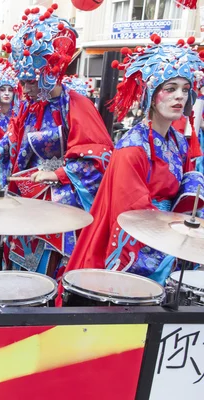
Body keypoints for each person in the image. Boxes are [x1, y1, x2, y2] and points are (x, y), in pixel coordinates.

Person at [61, 38, 204, 289]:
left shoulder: (179, 141)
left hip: (171, 231)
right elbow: (132, 215)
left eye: (184, 88)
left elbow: (187, 186)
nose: (179, 96)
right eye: (170, 88)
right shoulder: (134, 147)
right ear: (149, 92)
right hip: (144, 245)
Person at [0, 5, 113, 276]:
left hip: (60, 199)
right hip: (28, 192)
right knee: (18, 254)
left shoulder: (76, 105)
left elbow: (99, 156)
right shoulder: (31, 105)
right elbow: (15, 136)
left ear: (49, 73)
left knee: (48, 264)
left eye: (30, 81)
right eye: (23, 81)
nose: (25, 88)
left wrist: (60, 174)